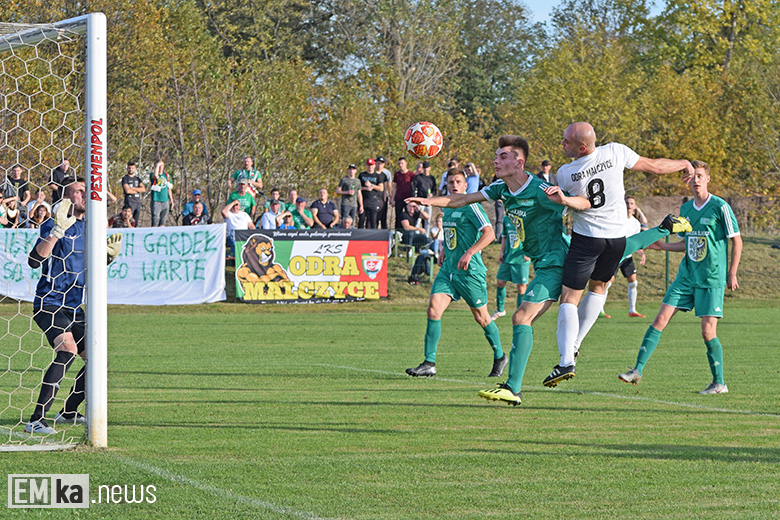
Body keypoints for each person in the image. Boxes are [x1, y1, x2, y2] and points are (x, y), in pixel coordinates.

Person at [541, 121, 694, 388]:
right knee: (599, 288)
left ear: (582, 147)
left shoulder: (565, 173)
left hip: (587, 239)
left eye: (566, 141)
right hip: (615, 239)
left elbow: (581, 204)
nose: (562, 144)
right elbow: (655, 166)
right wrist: (683, 163)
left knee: (570, 298)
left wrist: (563, 200)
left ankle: (566, 361)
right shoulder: (615, 151)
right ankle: (575, 345)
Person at [619, 161, 741, 394]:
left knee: (708, 332)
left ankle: (719, 383)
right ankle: (637, 370)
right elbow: (687, 244)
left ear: (708, 179)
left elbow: (736, 239)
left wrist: (732, 272)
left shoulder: (720, 206)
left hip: (711, 278)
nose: (696, 180)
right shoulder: (685, 210)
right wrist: (662, 246)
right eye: (692, 176)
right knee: (660, 319)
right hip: (686, 276)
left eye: (700, 176)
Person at [24, 176, 123, 434]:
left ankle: (68, 411)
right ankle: (36, 420)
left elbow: (87, 269)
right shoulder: (53, 224)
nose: (84, 195)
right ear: (67, 198)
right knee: (67, 350)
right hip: (49, 303)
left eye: (86, 191)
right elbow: (34, 260)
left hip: (74, 307)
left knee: (98, 359)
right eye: (79, 191)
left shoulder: (90, 229)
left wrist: (107, 258)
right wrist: (57, 232)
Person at [404, 169, 506, 379]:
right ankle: (429, 363)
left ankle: (500, 356)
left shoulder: (472, 205)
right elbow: (451, 233)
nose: (455, 185)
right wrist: (444, 249)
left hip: (470, 272)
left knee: (482, 318)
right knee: (433, 310)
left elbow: (489, 234)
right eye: (451, 182)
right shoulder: (448, 208)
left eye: (458, 181)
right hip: (449, 270)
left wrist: (470, 252)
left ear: (466, 185)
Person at [602, 196, 647, 318]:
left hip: (628, 257)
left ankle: (632, 310)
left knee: (633, 282)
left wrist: (641, 253)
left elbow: (636, 241)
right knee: (607, 283)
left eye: (632, 203)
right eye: (627, 203)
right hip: (616, 256)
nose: (629, 205)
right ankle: (600, 310)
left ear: (635, 206)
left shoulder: (635, 223)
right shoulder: (618, 219)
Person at [492, 214, 531, 320]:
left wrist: (530, 253)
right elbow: (504, 237)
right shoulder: (506, 219)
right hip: (508, 257)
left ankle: (520, 314)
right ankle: (500, 310)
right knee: (500, 282)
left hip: (521, 258)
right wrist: (501, 252)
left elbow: (534, 236)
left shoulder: (526, 217)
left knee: (521, 287)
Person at [358, 159, 385, 229]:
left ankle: (373, 235)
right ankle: (359, 235)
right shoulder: (362, 175)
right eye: (369, 165)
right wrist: (365, 188)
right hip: (363, 200)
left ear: (374, 166)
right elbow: (357, 188)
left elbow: (381, 188)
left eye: (371, 165)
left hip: (373, 200)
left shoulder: (377, 176)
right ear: (366, 166)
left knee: (373, 221)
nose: (370, 167)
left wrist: (372, 185)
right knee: (361, 220)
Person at [411, 160, 436, 231]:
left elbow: (434, 189)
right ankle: (416, 234)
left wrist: (432, 194)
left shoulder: (432, 178)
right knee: (418, 220)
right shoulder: (418, 177)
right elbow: (413, 188)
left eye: (427, 167)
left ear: (430, 168)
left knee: (428, 220)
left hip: (428, 201)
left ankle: (426, 235)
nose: (426, 169)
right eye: (424, 167)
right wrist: (414, 200)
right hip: (420, 201)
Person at [149, 159, 174, 226]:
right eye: (159, 166)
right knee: (155, 219)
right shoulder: (152, 175)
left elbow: (169, 188)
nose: (160, 168)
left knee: (163, 219)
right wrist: (157, 165)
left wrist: (171, 199)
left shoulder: (167, 176)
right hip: (156, 200)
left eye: (161, 166)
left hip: (165, 200)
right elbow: (155, 176)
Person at [392, 157, 414, 230]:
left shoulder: (411, 174)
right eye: (399, 164)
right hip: (399, 198)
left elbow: (413, 187)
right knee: (398, 216)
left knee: (408, 216)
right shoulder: (397, 174)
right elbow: (394, 187)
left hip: (408, 199)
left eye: (402, 163)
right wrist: (392, 199)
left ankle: (408, 231)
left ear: (406, 163)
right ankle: (397, 232)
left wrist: (413, 199)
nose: (400, 165)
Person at [121, 160, 145, 225]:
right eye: (129, 168)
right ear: (127, 168)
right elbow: (128, 191)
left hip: (137, 202)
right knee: (129, 220)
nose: (131, 169)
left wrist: (133, 188)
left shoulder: (137, 179)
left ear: (135, 168)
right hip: (129, 202)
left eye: (132, 168)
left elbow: (143, 189)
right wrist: (138, 190)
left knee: (135, 222)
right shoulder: (125, 178)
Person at [375, 156, 392, 229]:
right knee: (374, 217)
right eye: (378, 163)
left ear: (384, 164)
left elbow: (389, 185)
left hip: (383, 196)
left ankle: (384, 232)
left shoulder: (387, 173)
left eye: (381, 164)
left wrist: (391, 197)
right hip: (374, 196)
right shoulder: (373, 171)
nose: (379, 165)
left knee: (383, 216)